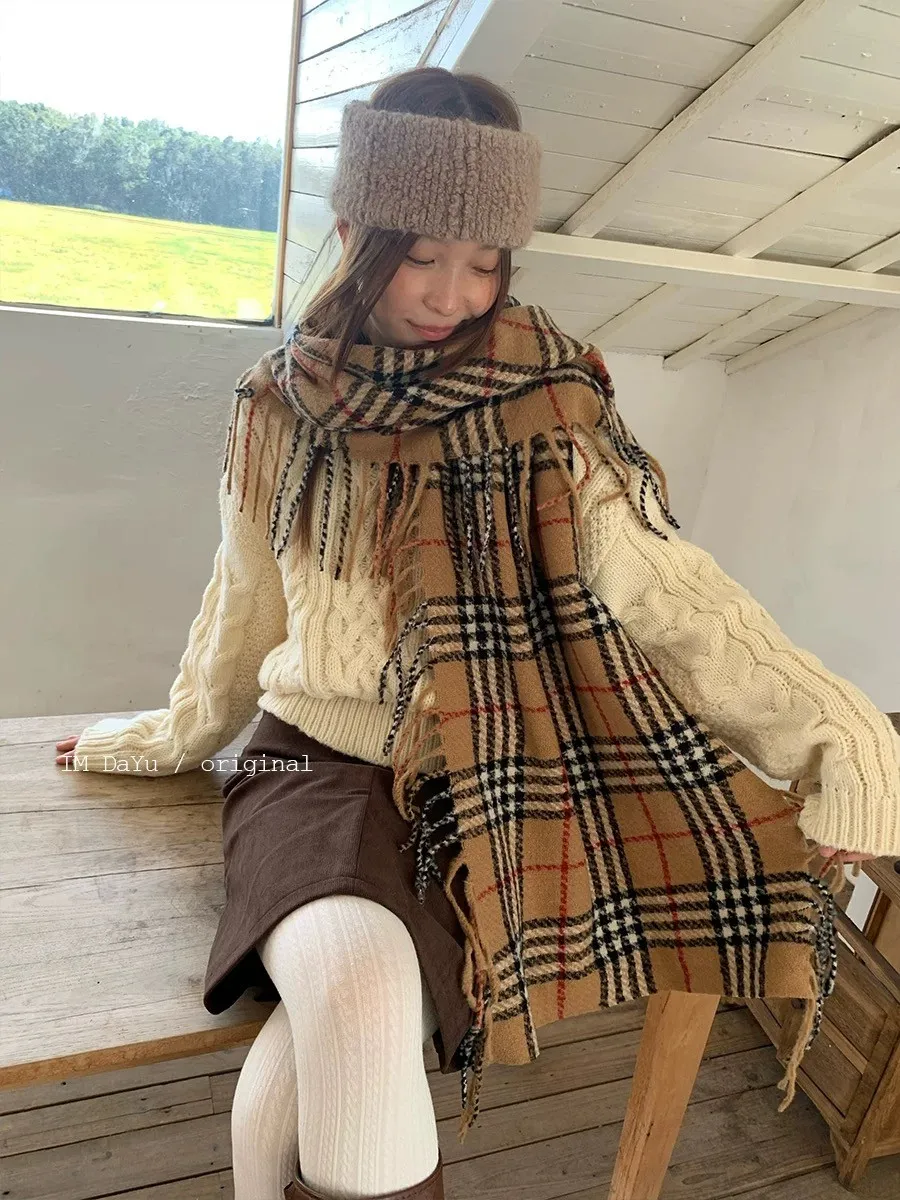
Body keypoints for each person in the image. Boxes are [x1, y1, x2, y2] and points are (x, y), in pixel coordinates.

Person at [56, 66, 899, 1200]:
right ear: (355, 236)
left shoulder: (550, 402)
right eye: (422, 255)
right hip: (304, 763)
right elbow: (243, 604)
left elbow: (672, 593)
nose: (454, 294)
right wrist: (168, 736)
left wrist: (844, 735)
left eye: (486, 261)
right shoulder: (276, 407)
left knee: (310, 1068)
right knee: (359, 1001)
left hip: (490, 776)